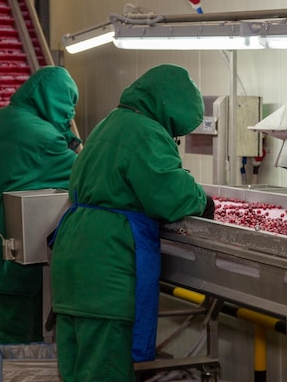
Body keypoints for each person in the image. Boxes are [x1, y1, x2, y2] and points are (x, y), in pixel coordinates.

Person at [50, 64, 215, 382]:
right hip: (107, 266)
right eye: (177, 129)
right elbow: (170, 193)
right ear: (171, 110)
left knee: (76, 370)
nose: (176, 136)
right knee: (105, 369)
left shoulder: (110, 123)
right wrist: (204, 201)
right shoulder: (145, 132)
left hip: (74, 263)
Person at [0, 66, 80, 382]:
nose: (70, 113)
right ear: (53, 100)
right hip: (13, 256)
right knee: (16, 343)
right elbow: (86, 174)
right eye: (68, 104)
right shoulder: (40, 136)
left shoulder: (0, 121)